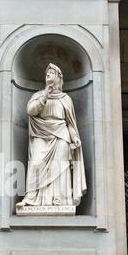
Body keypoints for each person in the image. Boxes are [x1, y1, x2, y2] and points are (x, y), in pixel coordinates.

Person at [16, 63, 87, 208]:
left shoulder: (65, 99)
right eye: (47, 73)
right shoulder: (38, 95)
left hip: (61, 134)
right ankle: (31, 197)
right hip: (40, 134)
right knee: (36, 163)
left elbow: (70, 123)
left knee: (60, 166)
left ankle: (58, 198)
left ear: (59, 77)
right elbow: (31, 111)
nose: (48, 74)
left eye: (52, 72)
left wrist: (75, 138)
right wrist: (45, 96)